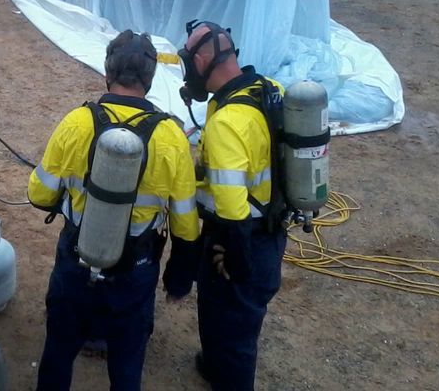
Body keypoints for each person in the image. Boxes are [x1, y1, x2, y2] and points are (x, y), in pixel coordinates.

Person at [28, 30, 200, 391]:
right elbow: (185, 224)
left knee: (58, 350)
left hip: (76, 260)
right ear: (150, 81)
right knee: (127, 362)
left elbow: (40, 194)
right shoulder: (171, 136)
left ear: (108, 73)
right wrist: (179, 277)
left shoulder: (76, 122)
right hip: (135, 271)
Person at [177, 20, 287, 391]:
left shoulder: (227, 123)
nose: (187, 70)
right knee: (223, 317)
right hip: (272, 229)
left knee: (233, 326)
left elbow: (231, 207)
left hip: (240, 240)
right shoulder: (267, 89)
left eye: (188, 60)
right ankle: (214, 365)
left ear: (204, 59)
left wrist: (237, 263)